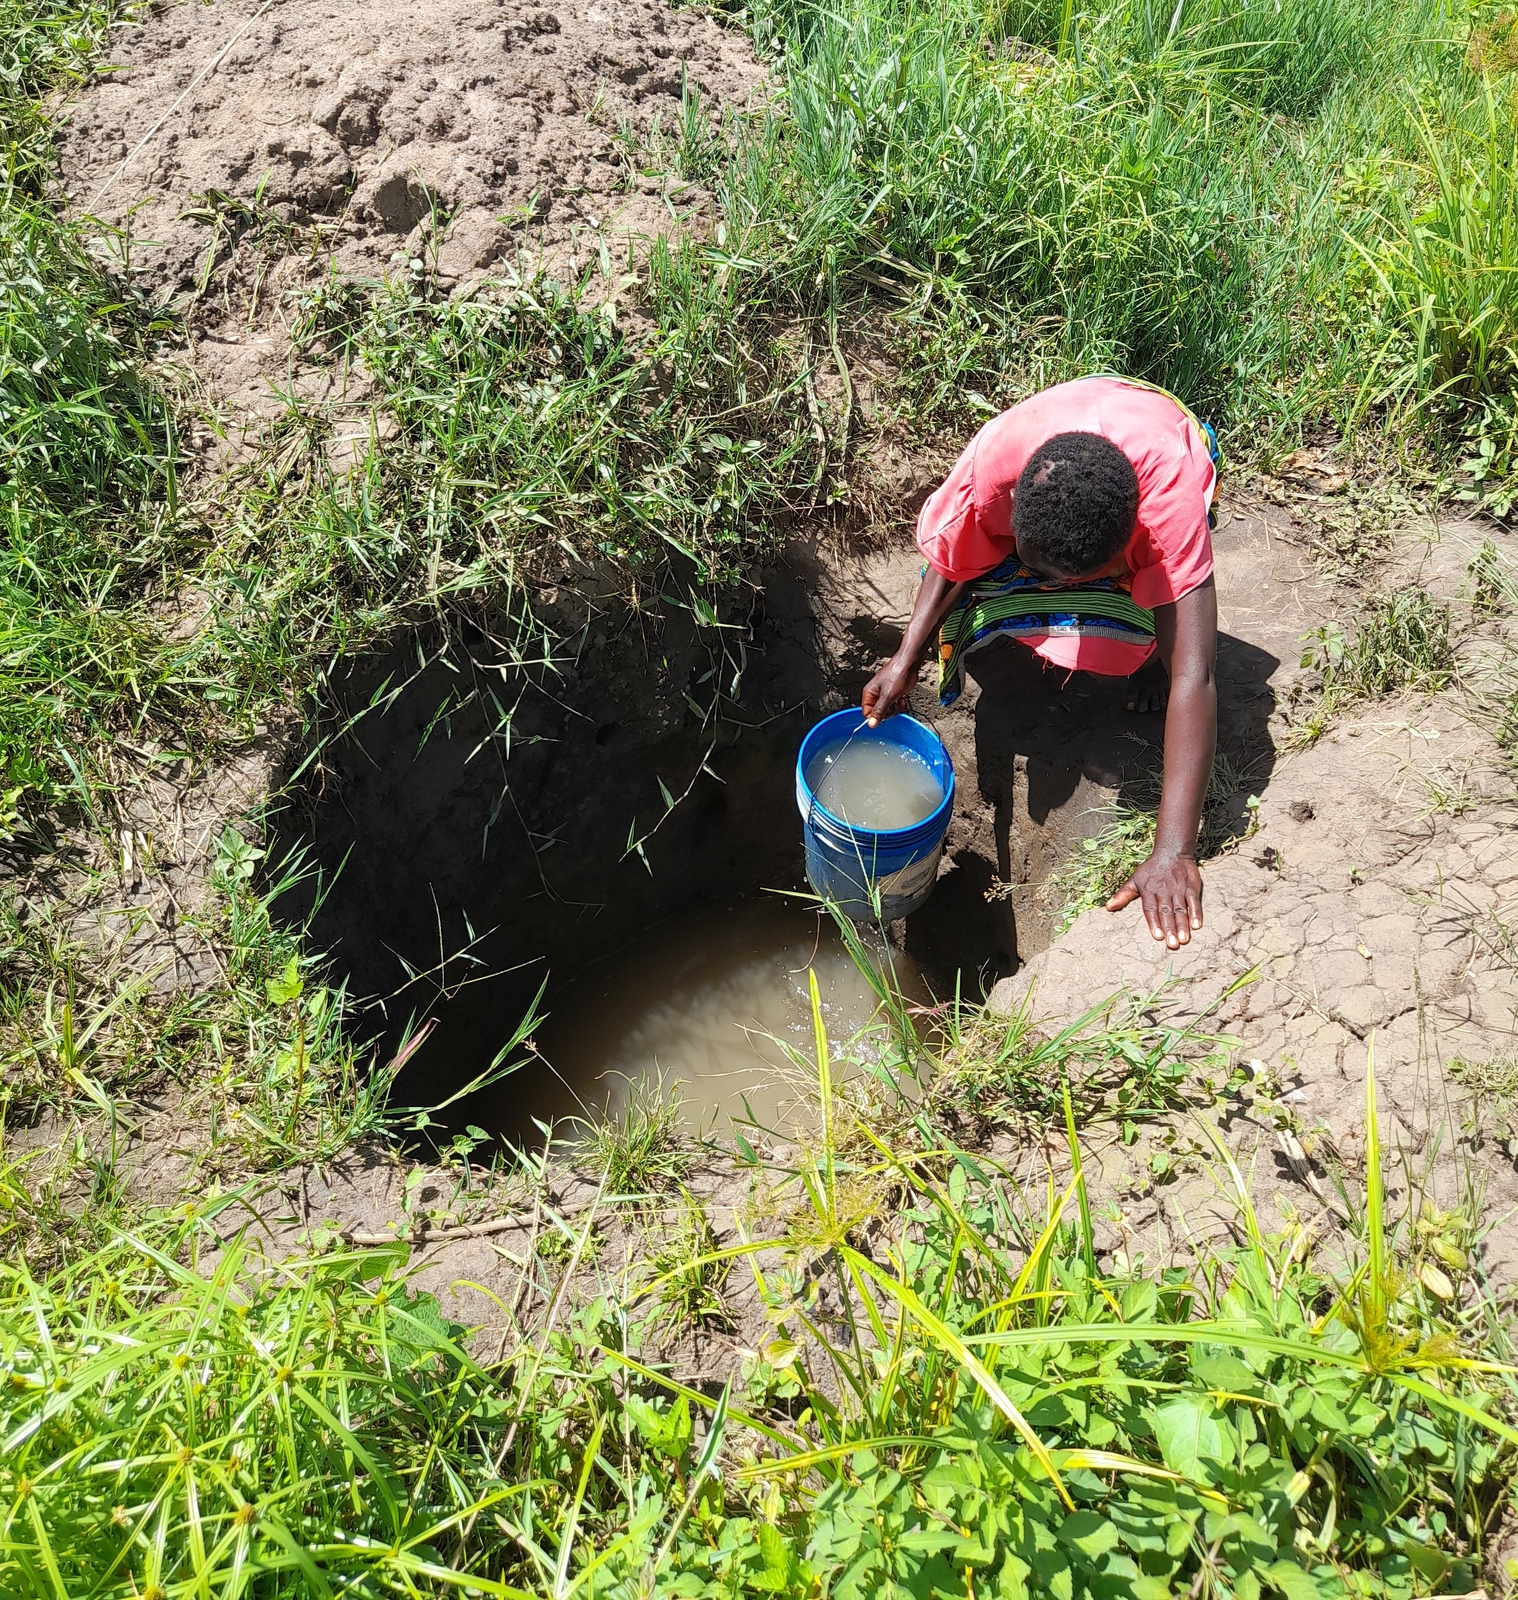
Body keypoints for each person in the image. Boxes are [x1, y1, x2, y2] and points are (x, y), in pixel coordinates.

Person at [861, 375, 1219, 952]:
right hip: (1062, 460)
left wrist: (1173, 850)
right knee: (976, 595)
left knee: (1144, 639)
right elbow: (953, 560)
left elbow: (1196, 675)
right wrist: (906, 657)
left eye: (1071, 582)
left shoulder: (1167, 509)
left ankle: (1139, 637)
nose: (1053, 592)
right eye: (1040, 571)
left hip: (1163, 441)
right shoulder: (993, 469)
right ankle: (1063, 575)